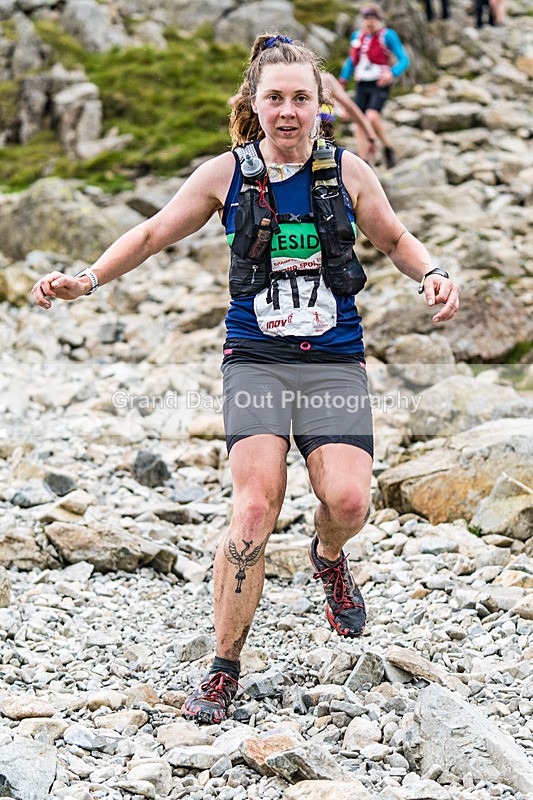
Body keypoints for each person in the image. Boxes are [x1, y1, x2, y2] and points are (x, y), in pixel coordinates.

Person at [32, 33, 459, 725]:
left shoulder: (347, 171)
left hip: (332, 362)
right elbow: (148, 235)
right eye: (274, 98)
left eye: (300, 97)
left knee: (348, 502)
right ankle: (223, 667)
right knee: (254, 510)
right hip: (256, 359)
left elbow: (393, 239)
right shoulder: (224, 175)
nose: (287, 111)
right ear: (253, 104)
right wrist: (85, 279)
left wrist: (433, 272)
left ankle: (326, 556)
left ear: (321, 104)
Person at [339, 4, 410, 169]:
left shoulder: (388, 35)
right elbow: (351, 60)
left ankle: (387, 147)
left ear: (378, 20)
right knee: (358, 121)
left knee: (371, 116)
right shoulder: (358, 36)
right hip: (362, 83)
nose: (368, 23)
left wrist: (391, 73)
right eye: (366, 19)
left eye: (372, 19)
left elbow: (404, 59)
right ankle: (364, 162)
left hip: (380, 83)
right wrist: (342, 80)